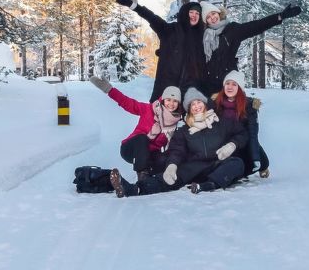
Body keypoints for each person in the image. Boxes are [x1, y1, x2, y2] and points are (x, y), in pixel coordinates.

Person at [109, 87, 248, 197]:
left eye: (199, 102)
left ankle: (209, 185)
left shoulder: (221, 122)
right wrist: (172, 166)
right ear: (189, 110)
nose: (196, 106)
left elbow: (242, 133)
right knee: (170, 177)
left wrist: (232, 144)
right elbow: (177, 150)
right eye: (192, 104)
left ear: (205, 104)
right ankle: (135, 189)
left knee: (237, 163)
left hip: (216, 164)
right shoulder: (184, 131)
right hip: (194, 168)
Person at [89, 76, 182, 181]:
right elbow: (127, 102)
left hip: (150, 155)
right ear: (163, 100)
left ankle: (152, 181)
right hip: (131, 148)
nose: (171, 104)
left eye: (175, 101)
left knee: (165, 160)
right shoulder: (148, 109)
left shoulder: (175, 123)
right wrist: (109, 90)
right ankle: (143, 177)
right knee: (142, 138)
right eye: (168, 100)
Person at [200, 0, 302, 94]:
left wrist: (279, 17)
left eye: (213, 13)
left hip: (229, 81)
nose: (212, 18)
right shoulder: (205, 35)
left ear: (219, 13)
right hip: (210, 84)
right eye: (208, 17)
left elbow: (256, 26)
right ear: (206, 21)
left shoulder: (233, 30)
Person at [115, 0, 205, 101]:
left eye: (197, 13)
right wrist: (134, 6)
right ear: (185, 13)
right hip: (165, 89)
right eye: (191, 12)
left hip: (189, 93)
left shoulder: (202, 36)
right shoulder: (169, 30)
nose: (194, 15)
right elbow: (152, 17)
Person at [212, 69, 270, 178]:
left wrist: (256, 158)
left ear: (239, 88)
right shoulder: (216, 103)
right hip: (223, 142)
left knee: (246, 166)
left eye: (234, 84)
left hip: (243, 143)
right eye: (227, 83)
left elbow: (252, 134)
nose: (230, 87)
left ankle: (264, 165)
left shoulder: (249, 106)